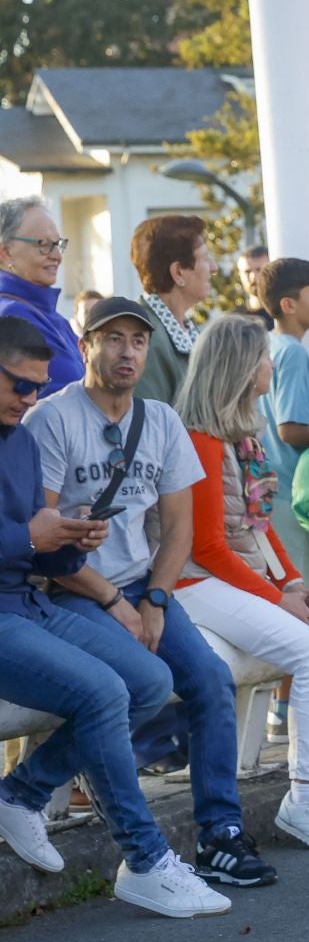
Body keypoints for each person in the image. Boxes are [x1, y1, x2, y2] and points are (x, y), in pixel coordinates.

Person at [26, 297, 276, 886]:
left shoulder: (160, 420)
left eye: (137, 341)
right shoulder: (54, 420)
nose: (127, 352)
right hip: (74, 589)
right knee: (129, 689)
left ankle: (221, 833)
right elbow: (46, 539)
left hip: (143, 585)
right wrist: (114, 603)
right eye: (112, 339)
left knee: (209, 679)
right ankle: (31, 791)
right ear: (85, 346)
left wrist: (155, 599)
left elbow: (179, 528)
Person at [0, 317, 233, 915]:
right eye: (18, 386)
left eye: (35, 386)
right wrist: (37, 541)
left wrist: (75, 538)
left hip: (27, 600)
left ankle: (20, 792)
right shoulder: (46, 424)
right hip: (20, 609)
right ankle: (147, 858)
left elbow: (43, 545)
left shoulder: (19, 439)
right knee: (106, 691)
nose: (28, 399)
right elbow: (26, 538)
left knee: (154, 681)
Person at [172, 314, 309, 850]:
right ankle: (303, 797)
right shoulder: (200, 440)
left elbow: (259, 529)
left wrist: (291, 582)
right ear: (240, 367)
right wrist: (276, 597)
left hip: (238, 579)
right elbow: (207, 548)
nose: (269, 366)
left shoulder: (242, 437)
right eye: (263, 358)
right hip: (194, 585)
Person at [257, 258, 309, 500]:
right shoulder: (294, 352)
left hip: (269, 484)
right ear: (288, 305)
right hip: (293, 487)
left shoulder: (268, 344)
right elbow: (290, 430)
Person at [0, 195, 83, 393]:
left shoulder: (53, 318)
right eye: (43, 244)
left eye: (58, 244)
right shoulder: (13, 316)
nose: (57, 256)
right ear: (6, 253)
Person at [130, 214, 215, 406]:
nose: (213, 267)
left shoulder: (187, 328)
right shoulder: (144, 337)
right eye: (204, 258)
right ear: (178, 273)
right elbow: (151, 425)